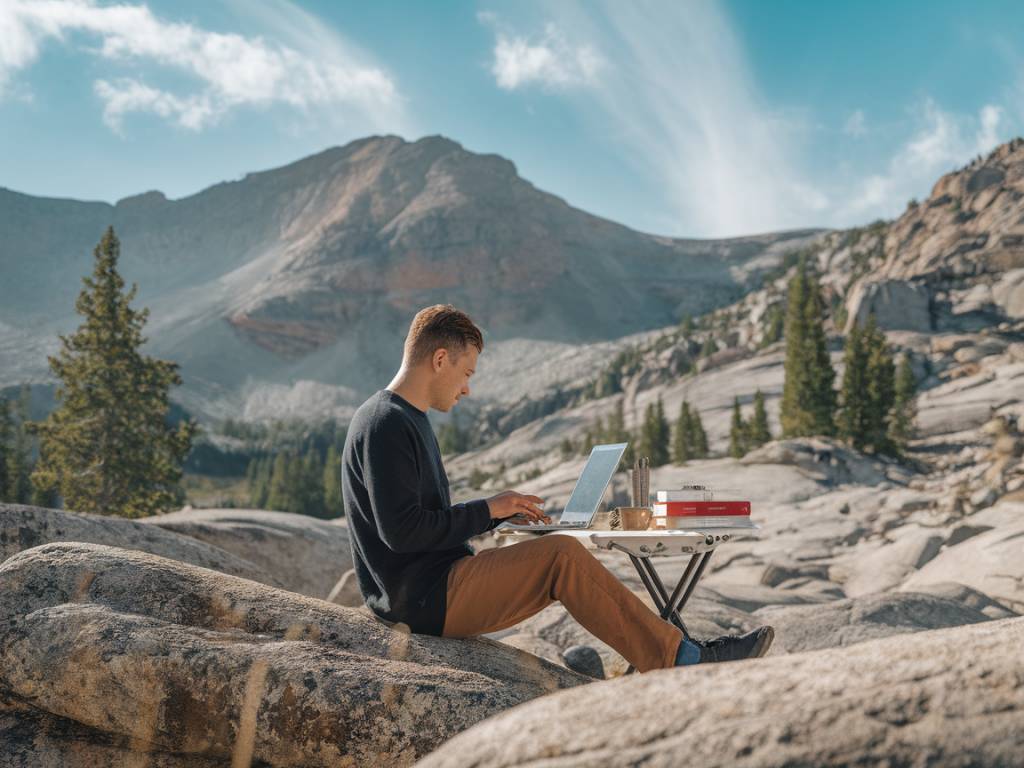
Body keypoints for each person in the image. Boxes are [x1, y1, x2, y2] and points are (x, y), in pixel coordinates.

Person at [341, 304, 774, 672]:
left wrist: (497, 514)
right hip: (423, 600)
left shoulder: (402, 418)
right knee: (561, 555)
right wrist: (487, 510)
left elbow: (418, 526)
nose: (467, 388)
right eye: (466, 372)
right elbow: (402, 533)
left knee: (557, 554)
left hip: (434, 587)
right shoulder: (386, 423)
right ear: (440, 360)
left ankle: (673, 650)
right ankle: (684, 659)